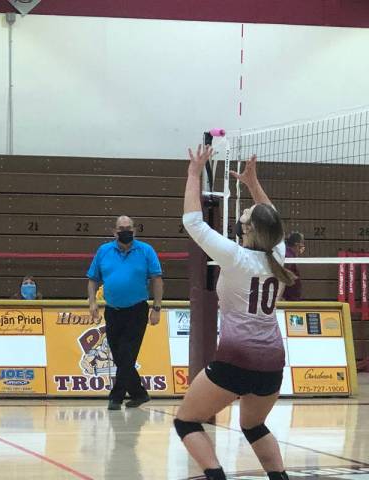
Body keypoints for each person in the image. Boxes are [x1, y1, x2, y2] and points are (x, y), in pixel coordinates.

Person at [175, 145, 296, 480]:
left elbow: (193, 222)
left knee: (185, 421)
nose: (241, 216)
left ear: (250, 231)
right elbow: (271, 217)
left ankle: (216, 476)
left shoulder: (235, 257)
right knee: (254, 426)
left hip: (235, 361)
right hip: (272, 362)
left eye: (244, 217)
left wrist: (193, 173)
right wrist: (252, 184)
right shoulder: (279, 253)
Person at [87, 215, 163, 410]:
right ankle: (139, 394)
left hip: (137, 311)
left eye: (129, 228)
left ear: (134, 230)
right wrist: (93, 302)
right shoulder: (103, 251)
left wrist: (156, 307)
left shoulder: (146, 251)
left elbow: (156, 279)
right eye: (121, 228)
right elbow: (93, 279)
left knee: (126, 353)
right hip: (112, 311)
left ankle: (116, 397)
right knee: (119, 355)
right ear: (114, 231)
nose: (125, 231)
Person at [282, 232, 304, 300]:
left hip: (292, 297)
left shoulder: (292, 255)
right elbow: (283, 276)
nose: (303, 245)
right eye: (302, 242)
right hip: (288, 298)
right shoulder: (288, 256)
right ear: (297, 244)